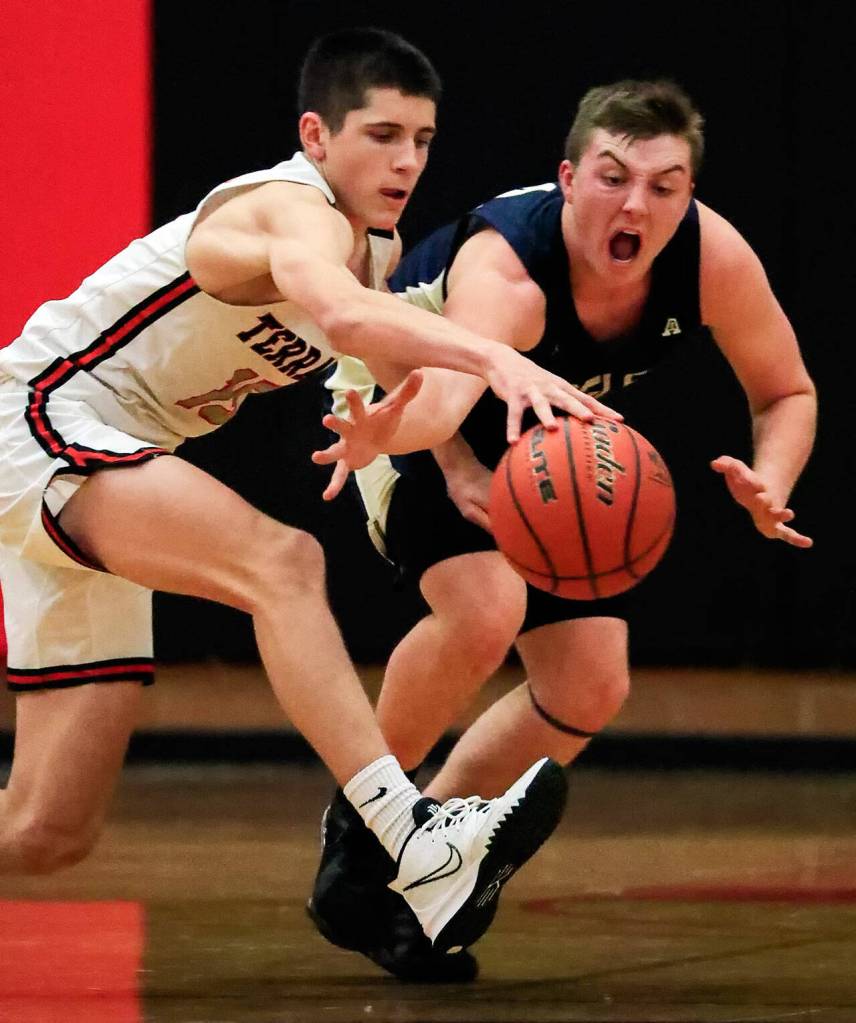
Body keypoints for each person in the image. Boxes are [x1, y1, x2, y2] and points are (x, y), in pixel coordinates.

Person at [0, 27, 632, 971]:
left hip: (108, 458)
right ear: (318, 135)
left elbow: (375, 348)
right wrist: (493, 352)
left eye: (422, 138)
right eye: (383, 134)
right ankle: (410, 836)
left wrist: (459, 469)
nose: (408, 160)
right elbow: (337, 315)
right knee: (282, 562)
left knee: (47, 827)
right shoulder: (290, 210)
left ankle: (406, 837)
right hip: (40, 419)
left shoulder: (372, 248)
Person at [311, 78, 817, 978]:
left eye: (664, 186)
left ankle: (426, 870)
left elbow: (788, 390)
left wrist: (770, 479)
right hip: (404, 395)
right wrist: (450, 462)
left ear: (687, 197)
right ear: (569, 178)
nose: (637, 204)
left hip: (536, 425)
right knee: (484, 606)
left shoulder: (712, 259)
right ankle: (364, 828)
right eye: (614, 177)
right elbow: (447, 396)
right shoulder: (509, 275)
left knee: (590, 683)